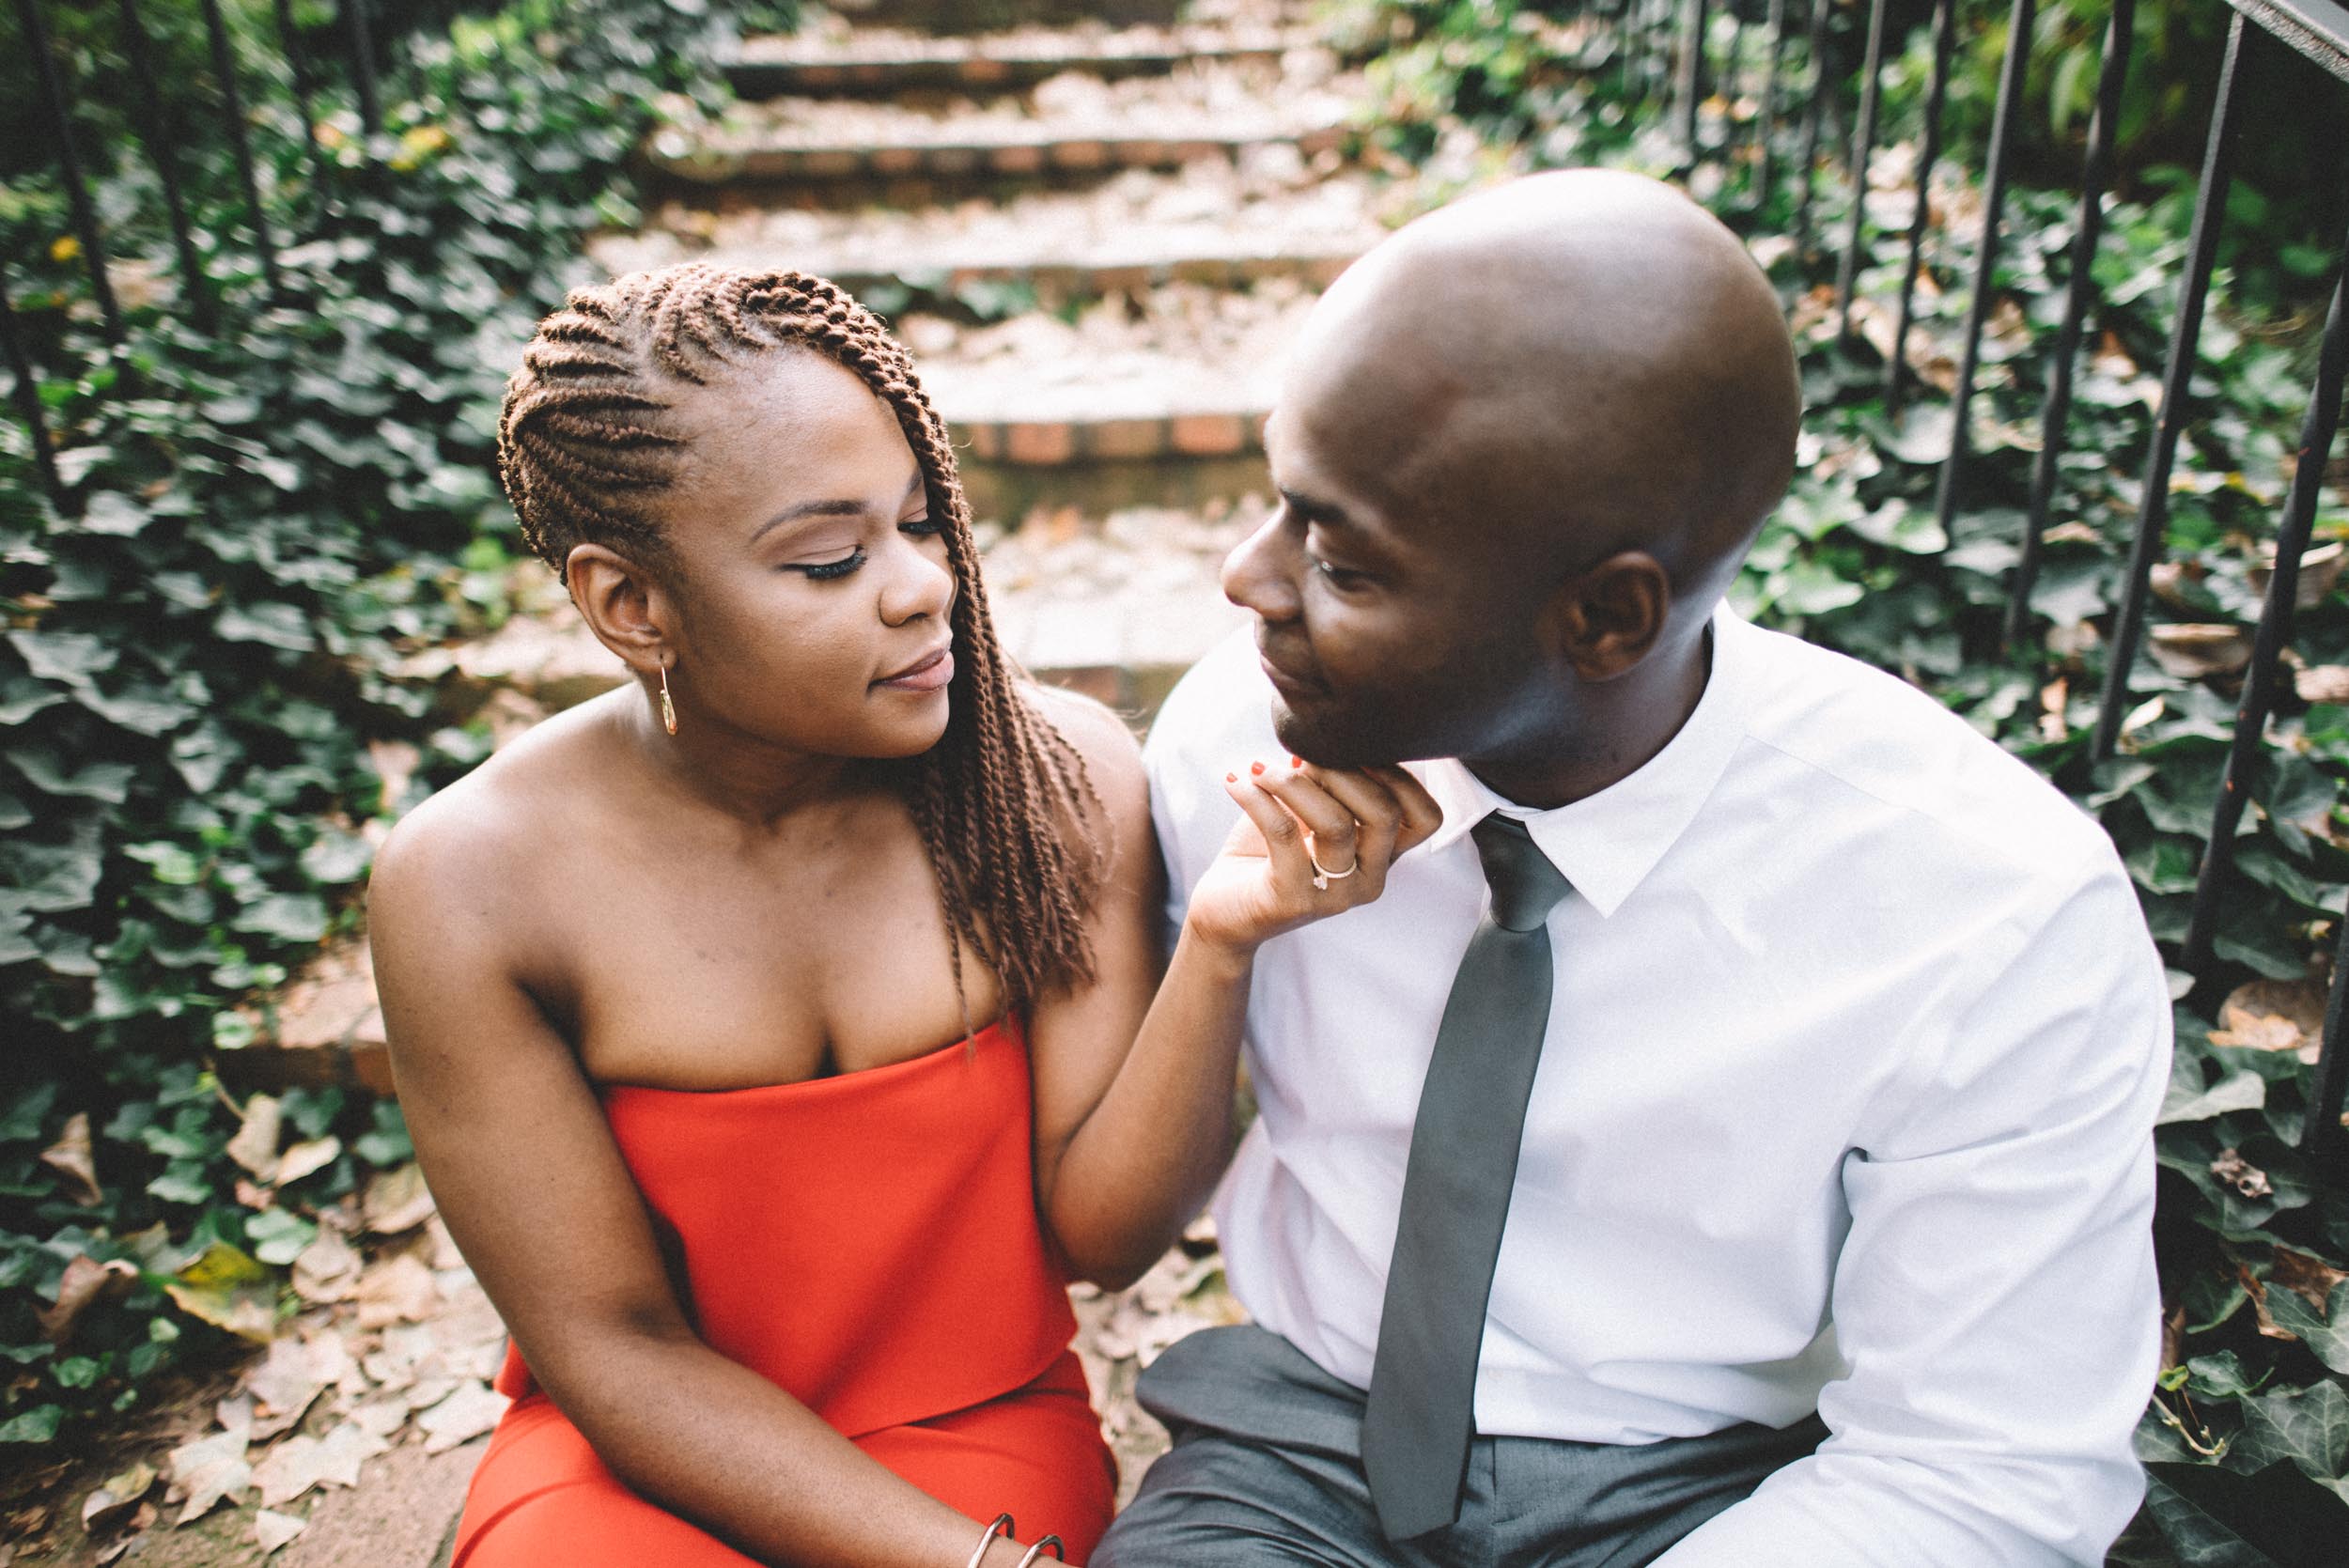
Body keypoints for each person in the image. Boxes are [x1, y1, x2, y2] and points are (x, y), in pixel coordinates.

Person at [1102, 169, 2171, 1567]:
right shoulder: (1239, 740)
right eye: (1278, 501)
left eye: (1346, 565)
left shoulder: (1991, 911)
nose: (1249, 582)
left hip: (1728, 1495)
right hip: (1300, 1447)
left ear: (1607, 615)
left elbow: (1980, 1468)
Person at [366, 262, 1439, 1567]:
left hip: (977, 1430)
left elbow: (1102, 1240)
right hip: (640, 1459)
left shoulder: (1051, 786)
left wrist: (1214, 947)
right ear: (629, 604)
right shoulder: (471, 884)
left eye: (922, 523)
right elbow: (612, 1345)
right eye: (829, 559)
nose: (922, 586)